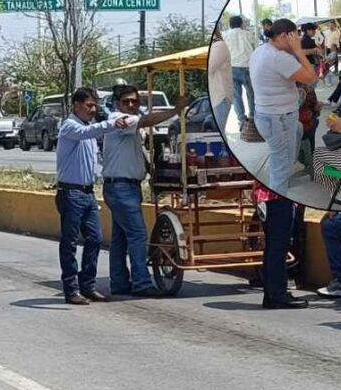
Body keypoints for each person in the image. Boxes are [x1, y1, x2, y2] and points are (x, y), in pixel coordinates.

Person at [102, 87, 187, 297]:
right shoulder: (119, 119)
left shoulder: (130, 124)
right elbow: (146, 120)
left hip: (126, 187)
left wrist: (149, 169)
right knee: (137, 235)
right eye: (126, 101)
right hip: (121, 188)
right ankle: (141, 282)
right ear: (117, 103)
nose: (131, 105)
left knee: (121, 237)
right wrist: (175, 110)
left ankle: (119, 282)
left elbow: (134, 153)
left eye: (134, 101)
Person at [55, 88, 129, 305]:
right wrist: (112, 124)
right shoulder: (70, 126)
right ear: (76, 105)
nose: (93, 109)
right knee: (69, 243)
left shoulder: (88, 130)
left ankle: (87, 285)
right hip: (70, 193)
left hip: (87, 194)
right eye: (89, 105)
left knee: (95, 239)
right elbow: (88, 132)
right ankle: (71, 289)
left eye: (95, 105)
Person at [249, 18, 317, 196]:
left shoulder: (260, 50)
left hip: (267, 115)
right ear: (283, 36)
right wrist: (299, 51)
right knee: (281, 170)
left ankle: (288, 161)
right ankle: (278, 201)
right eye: (294, 37)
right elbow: (311, 77)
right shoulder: (279, 57)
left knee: (296, 132)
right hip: (279, 118)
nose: (298, 40)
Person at [253, 182, 307, 308]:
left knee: (272, 248)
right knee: (278, 249)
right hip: (279, 197)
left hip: (267, 198)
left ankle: (271, 294)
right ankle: (277, 295)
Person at [226, 15, 257, 127]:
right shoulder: (248, 34)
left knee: (236, 96)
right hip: (247, 67)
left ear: (230, 24)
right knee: (251, 93)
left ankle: (242, 120)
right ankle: (253, 116)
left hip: (231, 68)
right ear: (241, 24)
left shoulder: (225, 35)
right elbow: (255, 49)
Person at [208, 28, 234, 132]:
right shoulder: (214, 46)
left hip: (220, 97)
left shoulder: (219, 46)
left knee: (220, 132)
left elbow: (210, 67)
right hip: (215, 97)